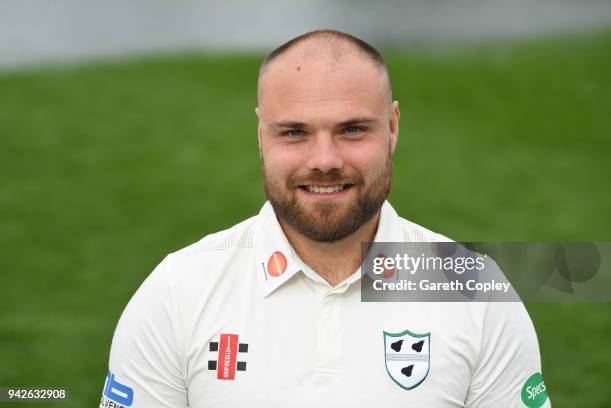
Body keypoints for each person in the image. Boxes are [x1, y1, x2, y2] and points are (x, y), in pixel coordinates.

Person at [100, 29, 550, 408]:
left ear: (392, 128)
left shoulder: (475, 296)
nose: (325, 160)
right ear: (261, 136)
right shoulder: (178, 291)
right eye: (294, 132)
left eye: (352, 130)